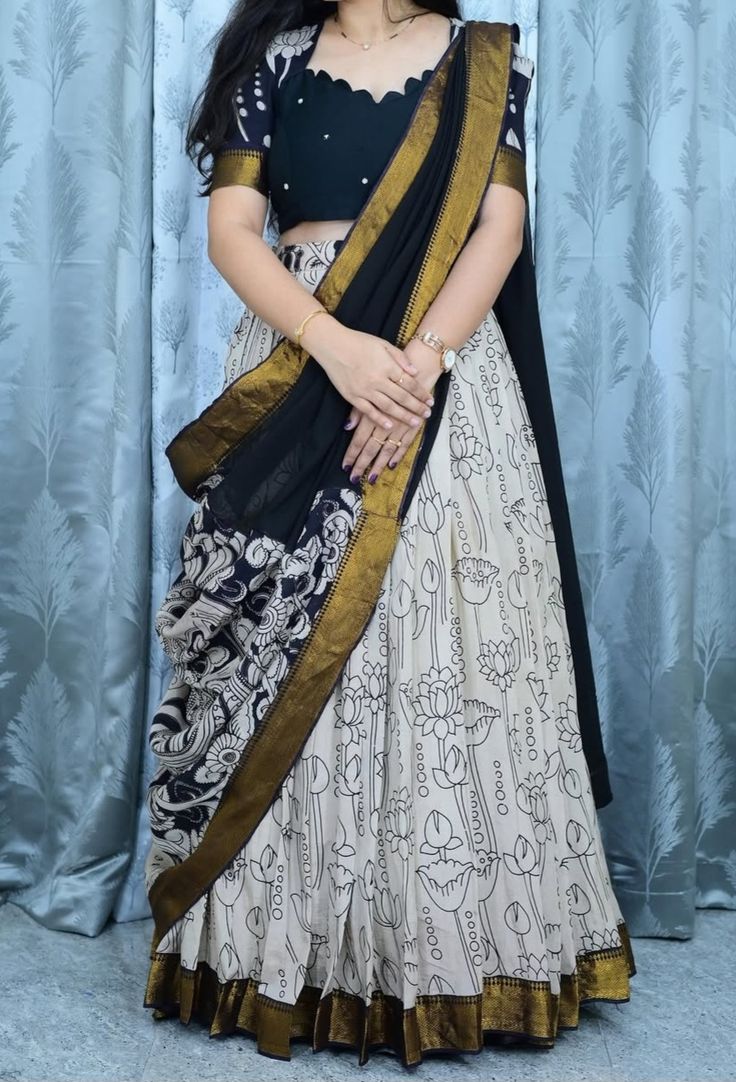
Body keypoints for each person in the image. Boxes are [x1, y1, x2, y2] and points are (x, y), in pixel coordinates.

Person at [142, 0, 636, 1066]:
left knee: (445, 638)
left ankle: (454, 957)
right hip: (297, 365)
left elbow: (498, 227)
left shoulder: (481, 63)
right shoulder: (273, 64)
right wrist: (338, 350)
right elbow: (232, 232)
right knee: (290, 652)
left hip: (443, 376)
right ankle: (282, 959)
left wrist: (413, 368)